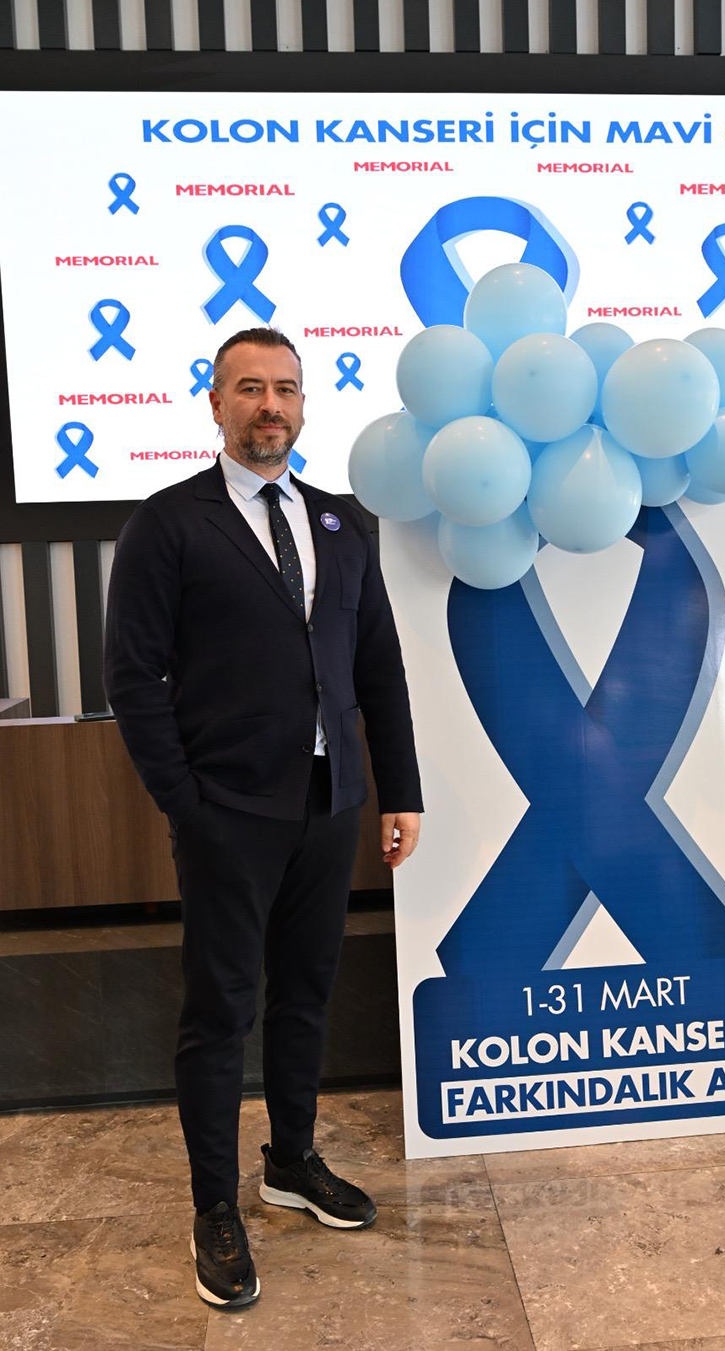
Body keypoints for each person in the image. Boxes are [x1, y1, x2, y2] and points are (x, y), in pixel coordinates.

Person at [103, 326, 422, 1310]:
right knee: (220, 1013)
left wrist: (399, 788)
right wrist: (185, 803)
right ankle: (215, 1205)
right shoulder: (169, 524)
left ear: (303, 404)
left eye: (285, 388)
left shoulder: (340, 523)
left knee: (306, 995)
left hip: (330, 804)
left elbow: (379, 668)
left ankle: (291, 1160)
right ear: (216, 403)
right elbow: (133, 679)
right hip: (228, 815)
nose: (269, 405)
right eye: (249, 388)